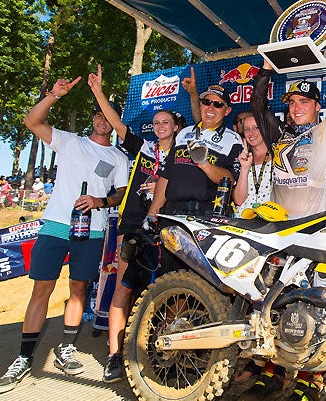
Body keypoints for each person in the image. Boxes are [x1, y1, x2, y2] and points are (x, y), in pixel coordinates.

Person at [243, 25, 326, 401]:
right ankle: (270, 372)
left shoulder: (325, 133)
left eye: (304, 102)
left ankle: (308, 381)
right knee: (269, 304)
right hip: (274, 233)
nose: (296, 106)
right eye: (292, 102)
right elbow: (257, 108)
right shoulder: (280, 136)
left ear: (317, 106)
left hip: (312, 235)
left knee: (311, 310)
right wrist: (266, 69)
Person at [0, 74, 129, 395]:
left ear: (112, 121)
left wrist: (100, 201)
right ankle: (24, 358)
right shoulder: (71, 141)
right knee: (42, 290)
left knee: (79, 290)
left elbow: (121, 194)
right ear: (92, 118)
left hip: (91, 230)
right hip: (55, 226)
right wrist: (54, 95)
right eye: (97, 113)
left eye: (107, 115)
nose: (101, 119)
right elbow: (31, 121)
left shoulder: (118, 158)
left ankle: (65, 347)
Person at [88, 64, 181, 383]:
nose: (159, 126)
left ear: (176, 126)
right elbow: (115, 122)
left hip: (168, 229)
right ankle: (114, 356)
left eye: (165, 122)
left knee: (169, 290)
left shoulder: (183, 156)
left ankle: (165, 350)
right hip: (132, 226)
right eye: (156, 122)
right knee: (123, 289)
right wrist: (99, 93)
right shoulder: (144, 149)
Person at [146, 82, 242, 219]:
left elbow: (231, 180)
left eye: (218, 104)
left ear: (227, 111)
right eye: (206, 102)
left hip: (206, 214)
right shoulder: (183, 133)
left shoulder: (233, 139)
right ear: (201, 105)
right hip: (172, 212)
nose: (211, 108)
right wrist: (152, 213)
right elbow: (166, 175)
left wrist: (204, 163)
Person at [233, 112, 273, 214]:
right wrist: (245, 168)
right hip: (243, 220)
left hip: (271, 220)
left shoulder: (278, 156)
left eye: (256, 127)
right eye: (246, 129)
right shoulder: (243, 159)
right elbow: (238, 201)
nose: (251, 133)